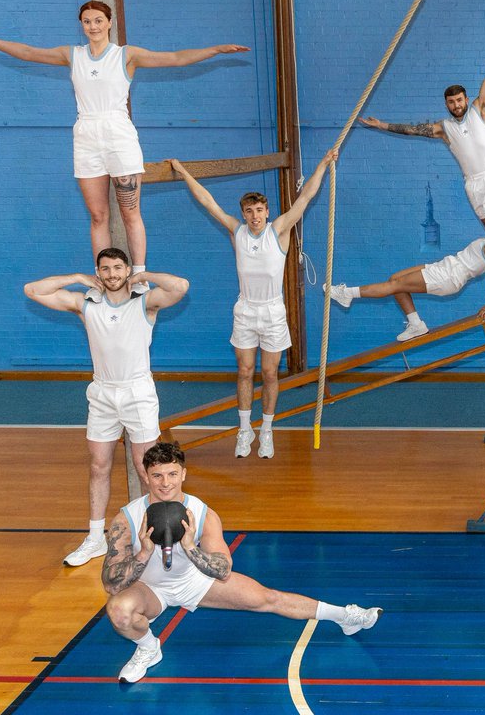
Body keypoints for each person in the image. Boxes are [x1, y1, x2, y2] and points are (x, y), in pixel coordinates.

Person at [0, 1, 249, 278]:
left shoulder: (126, 55)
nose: (92, 26)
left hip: (118, 131)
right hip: (86, 132)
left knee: (130, 211)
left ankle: (140, 274)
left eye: (98, 20)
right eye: (86, 21)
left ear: (109, 22)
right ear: (81, 25)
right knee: (98, 215)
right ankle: (102, 275)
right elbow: (28, 52)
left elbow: (174, 58)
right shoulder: (72, 55)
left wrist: (216, 49)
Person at [101, 442, 382, 683]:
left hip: (195, 581)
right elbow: (110, 583)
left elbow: (223, 570)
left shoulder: (203, 514)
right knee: (119, 611)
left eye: (173, 474)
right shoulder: (127, 518)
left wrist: (189, 548)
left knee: (269, 598)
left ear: (184, 474)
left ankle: (345, 616)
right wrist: (143, 553)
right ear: (146, 476)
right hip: (150, 588)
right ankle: (149, 648)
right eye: (157, 475)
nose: (165, 483)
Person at [24, 248, 189, 567]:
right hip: (102, 393)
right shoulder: (86, 304)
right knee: (99, 465)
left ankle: (152, 535)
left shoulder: (144, 301)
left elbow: (180, 286)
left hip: (138, 392)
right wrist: (75, 278)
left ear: (127, 270)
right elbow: (32, 290)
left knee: (147, 468)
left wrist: (145, 276)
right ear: (97, 273)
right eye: (105, 269)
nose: (112, 274)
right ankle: (95, 538)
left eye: (118, 267)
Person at [172, 148, 338, 460]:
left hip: (273, 311)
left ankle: (267, 429)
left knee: (271, 373)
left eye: (259, 210)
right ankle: (244, 428)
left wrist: (325, 163)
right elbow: (207, 201)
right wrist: (182, 170)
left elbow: (305, 198)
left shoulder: (279, 230)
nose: (255, 216)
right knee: (245, 370)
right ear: (244, 214)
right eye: (249, 211)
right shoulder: (237, 231)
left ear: (267, 211)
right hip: (245, 310)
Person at [360, 26, 485, 270]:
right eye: (451, 102)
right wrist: (381, 125)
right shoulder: (444, 128)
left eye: (459, 100)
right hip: (473, 183)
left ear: (466, 99)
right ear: (447, 105)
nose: (456, 105)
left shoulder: (480, 109)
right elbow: (412, 130)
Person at [327, 205, 485, 341]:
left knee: (394, 285)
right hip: (445, 267)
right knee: (395, 279)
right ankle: (416, 324)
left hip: (449, 277)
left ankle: (347, 294)